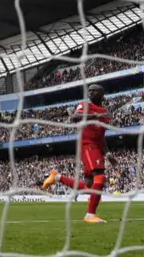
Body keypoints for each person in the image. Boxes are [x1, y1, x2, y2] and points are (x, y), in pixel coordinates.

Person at [42, 84, 117, 223]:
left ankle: (57, 177)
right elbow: (75, 117)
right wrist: (95, 115)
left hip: (98, 148)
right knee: (100, 177)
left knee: (89, 186)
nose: (91, 92)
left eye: (94, 90)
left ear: (102, 95)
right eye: (89, 90)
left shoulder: (105, 114)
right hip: (88, 146)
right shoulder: (84, 105)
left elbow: (101, 136)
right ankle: (90, 215)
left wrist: (107, 153)